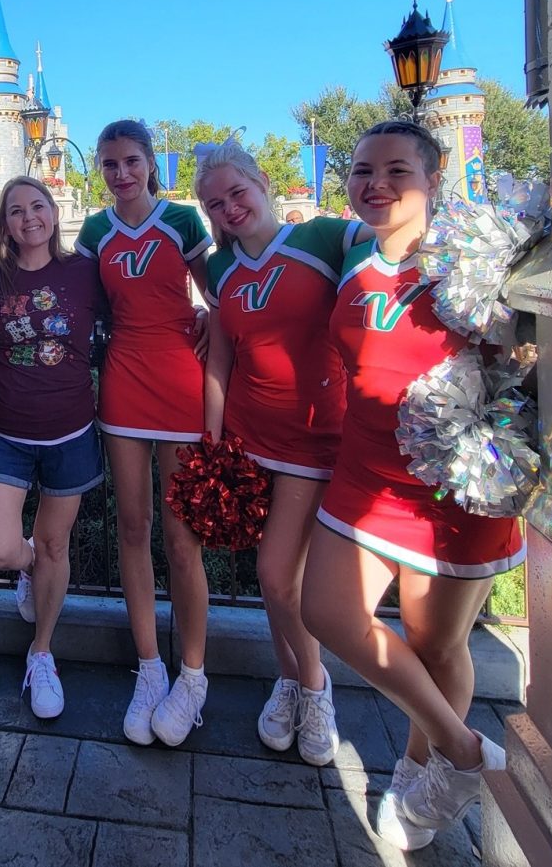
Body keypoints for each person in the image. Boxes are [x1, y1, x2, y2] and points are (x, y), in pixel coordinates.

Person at [301, 121, 522, 851]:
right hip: (364, 476)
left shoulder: (473, 268)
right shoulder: (356, 267)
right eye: (363, 171)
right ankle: (464, 751)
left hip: (449, 491)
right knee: (328, 612)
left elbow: (517, 367)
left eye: (397, 170)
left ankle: (415, 774)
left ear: (434, 177)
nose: (376, 184)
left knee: (434, 644)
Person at [195, 140, 366, 766]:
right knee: (277, 583)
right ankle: (291, 680)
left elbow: (394, 243)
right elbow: (221, 354)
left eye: (236, 193)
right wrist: (212, 441)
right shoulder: (220, 270)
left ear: (263, 181)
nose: (229, 208)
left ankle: (315, 687)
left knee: (275, 573)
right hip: (248, 439)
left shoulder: (324, 238)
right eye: (215, 203)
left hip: (315, 440)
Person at [75, 119, 212, 747]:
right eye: (109, 164)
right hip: (125, 378)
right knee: (134, 527)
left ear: (152, 163)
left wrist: (219, 328)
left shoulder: (183, 221)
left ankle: (192, 675)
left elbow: (219, 295)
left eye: (131, 161)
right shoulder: (95, 231)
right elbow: (79, 306)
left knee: (182, 537)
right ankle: (149, 669)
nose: (121, 173)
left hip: (181, 378)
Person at [0, 176, 106, 718]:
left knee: (55, 547)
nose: (30, 217)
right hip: (7, 435)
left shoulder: (84, 274)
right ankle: (28, 570)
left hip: (71, 434)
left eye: (38, 206)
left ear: (53, 212)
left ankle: (42, 651)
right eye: (17, 210)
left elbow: (137, 319)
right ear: (5, 222)